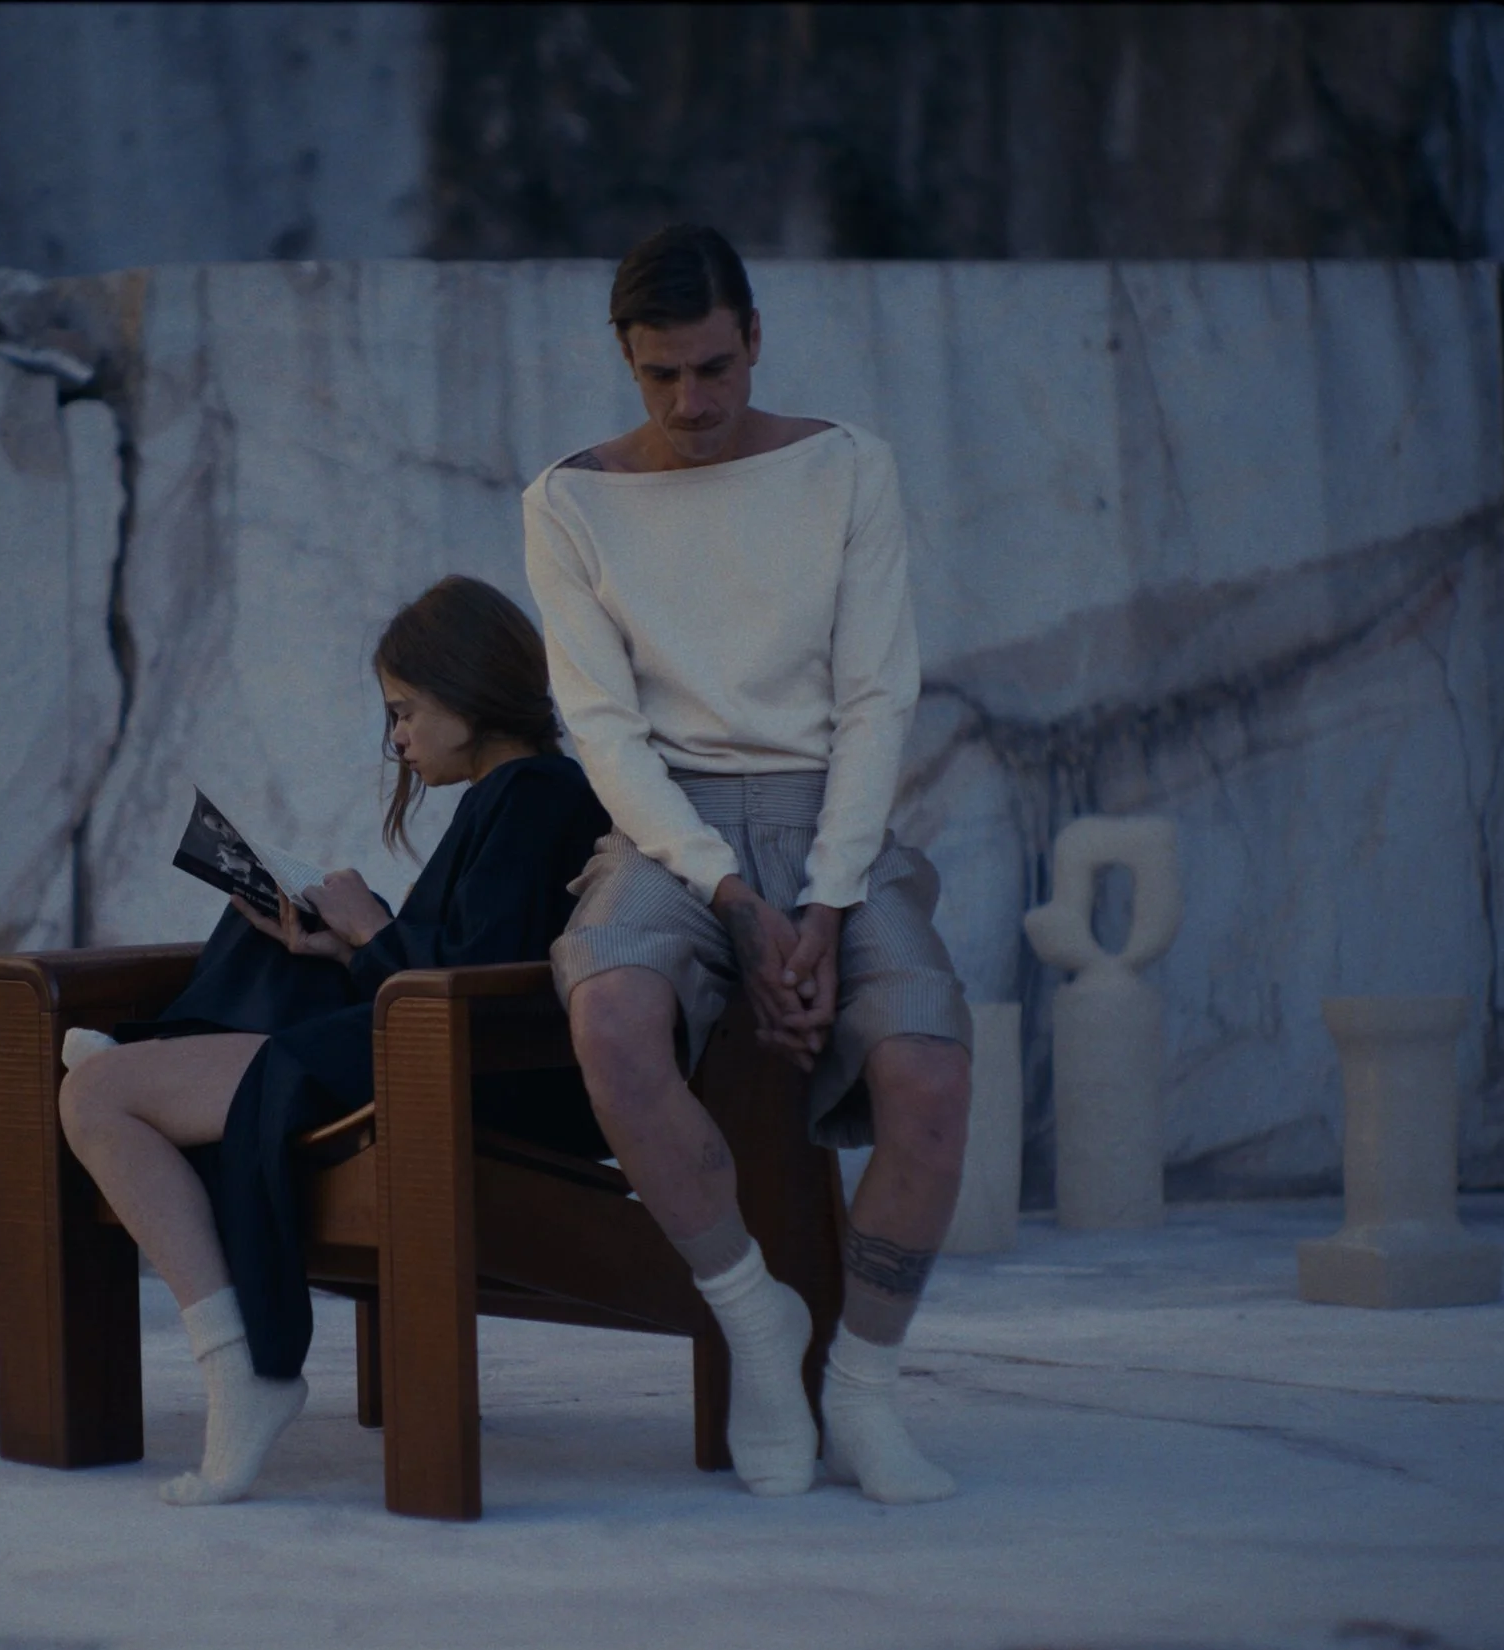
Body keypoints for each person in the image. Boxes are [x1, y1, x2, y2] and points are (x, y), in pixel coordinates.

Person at [522, 222, 973, 1505]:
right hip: (664, 824)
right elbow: (602, 729)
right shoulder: (567, 501)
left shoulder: (846, 467)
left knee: (930, 1076)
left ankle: (862, 1384)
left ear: (756, 338)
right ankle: (756, 1322)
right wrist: (724, 888)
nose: (690, 402)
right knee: (611, 1017)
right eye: (659, 375)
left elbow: (877, 697)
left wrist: (825, 899)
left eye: (713, 368)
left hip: (835, 811)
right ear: (625, 357)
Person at [58, 575, 611, 1505]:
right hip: (425, 1049)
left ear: (468, 689)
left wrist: (372, 931)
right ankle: (153, 1056)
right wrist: (346, 942)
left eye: (404, 712)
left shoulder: (535, 795)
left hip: (463, 1076)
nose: (396, 740)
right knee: (267, 941)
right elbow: (462, 963)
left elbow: (477, 987)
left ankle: (247, 1367)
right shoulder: (518, 794)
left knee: (98, 1099)